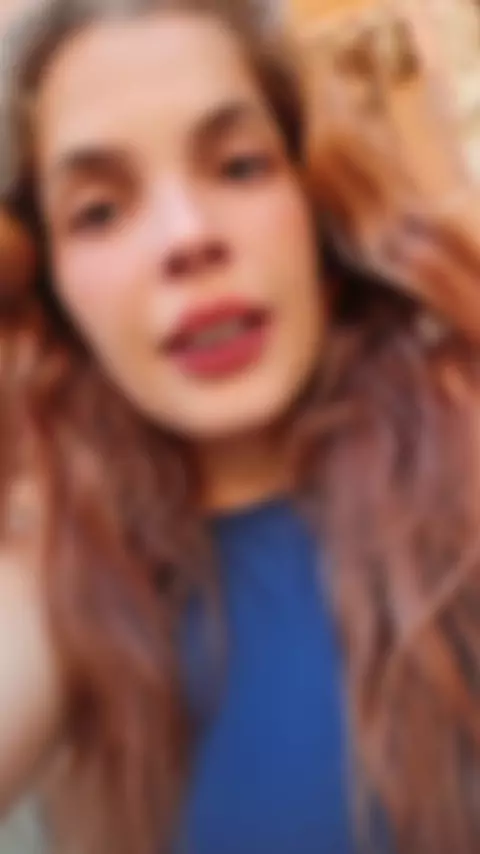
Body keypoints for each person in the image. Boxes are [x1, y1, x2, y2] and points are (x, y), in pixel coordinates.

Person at [1, 1, 480, 853]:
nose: (187, 238)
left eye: (239, 167)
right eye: (99, 212)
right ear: (56, 293)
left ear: (311, 203)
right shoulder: (59, 570)